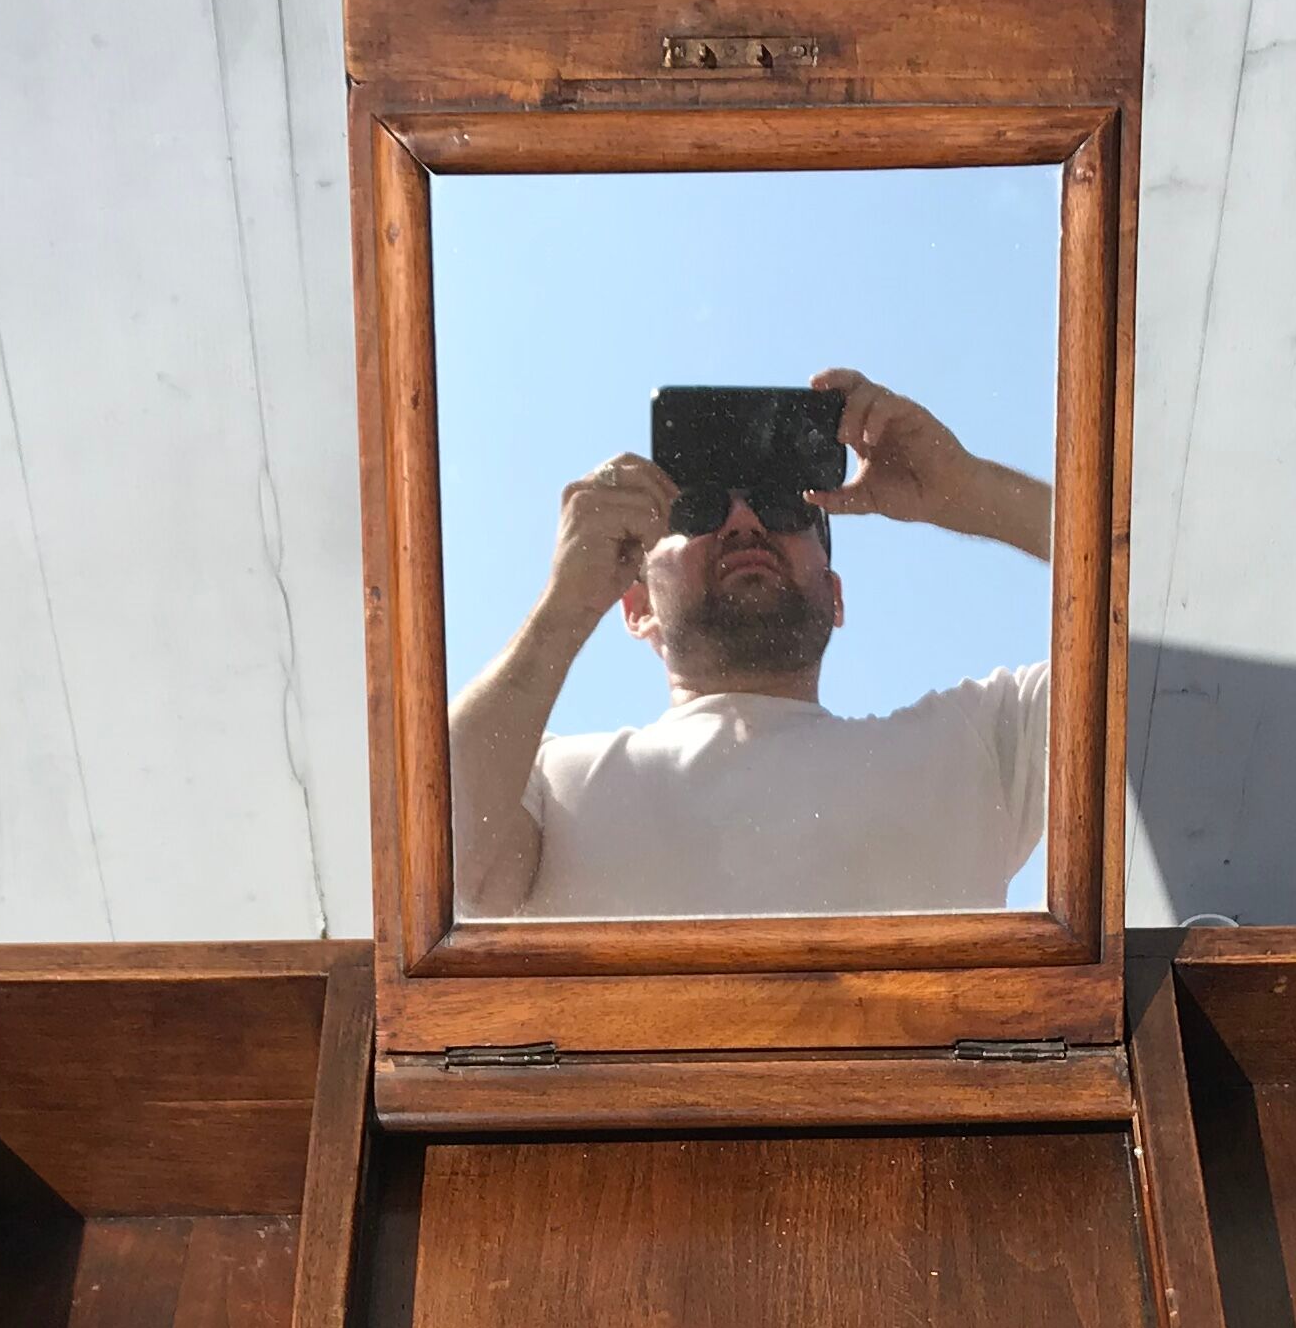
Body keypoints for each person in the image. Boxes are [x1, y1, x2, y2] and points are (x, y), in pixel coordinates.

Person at [448, 368, 1055, 918]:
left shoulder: (974, 747)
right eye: (699, 509)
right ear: (635, 608)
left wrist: (966, 487)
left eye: (785, 507)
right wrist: (563, 606)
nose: (745, 524)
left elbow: (1142, 610)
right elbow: (443, 861)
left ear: (837, 597)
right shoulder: (547, 783)